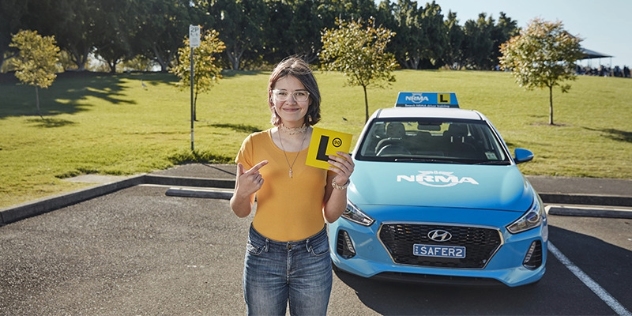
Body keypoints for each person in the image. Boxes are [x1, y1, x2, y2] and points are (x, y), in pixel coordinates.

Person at [229, 56, 355, 316]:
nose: (291, 101)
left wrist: (342, 182)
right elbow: (241, 210)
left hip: (313, 254)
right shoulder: (253, 144)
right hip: (263, 254)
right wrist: (242, 192)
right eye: (283, 93)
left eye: (300, 93)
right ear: (272, 98)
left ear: (311, 99)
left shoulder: (328, 144)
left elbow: (331, 214)